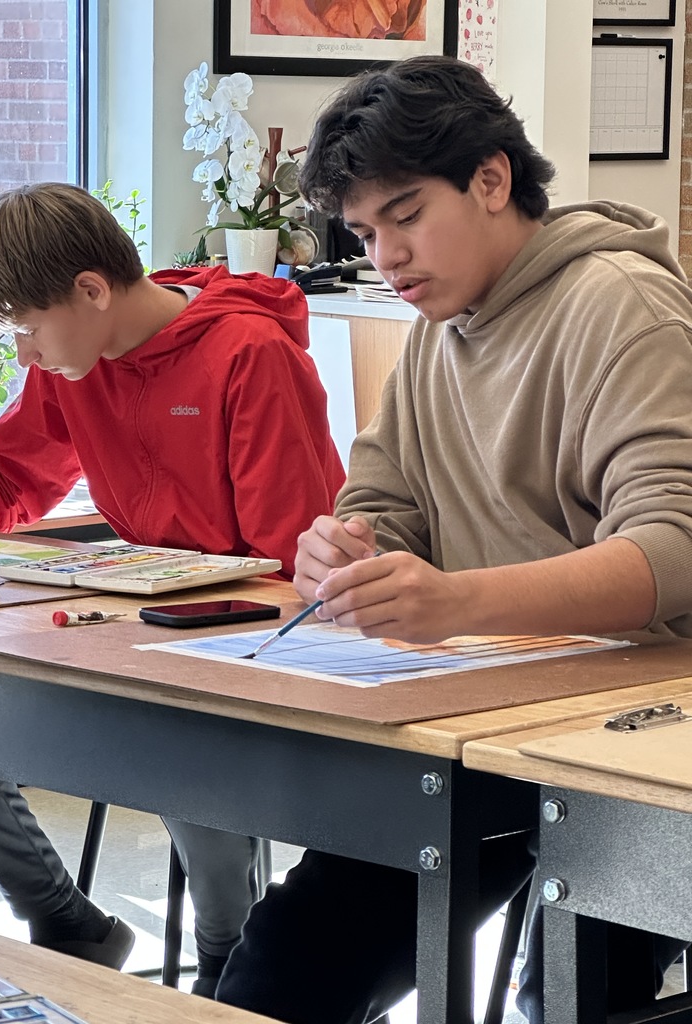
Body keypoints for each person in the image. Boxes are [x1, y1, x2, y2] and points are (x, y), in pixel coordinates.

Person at [215, 54, 692, 1023]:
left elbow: (674, 551)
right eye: (362, 231)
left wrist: (459, 600)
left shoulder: (620, 306)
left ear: (491, 179)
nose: (386, 257)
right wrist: (342, 548)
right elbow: (383, 499)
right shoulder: (440, 326)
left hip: (628, 740)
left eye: (405, 214)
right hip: (479, 721)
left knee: (570, 995)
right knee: (281, 972)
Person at [0, 182, 345, 993]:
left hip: (230, 650)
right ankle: (62, 915)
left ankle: (227, 971)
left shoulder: (249, 354)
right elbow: (10, 475)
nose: (24, 355)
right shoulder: (73, 363)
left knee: (188, 754)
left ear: (90, 290)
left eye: (27, 330)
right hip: (125, 631)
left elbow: (295, 562)